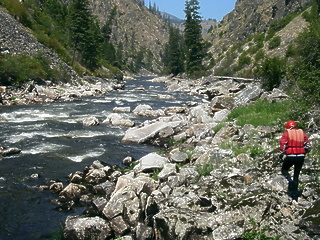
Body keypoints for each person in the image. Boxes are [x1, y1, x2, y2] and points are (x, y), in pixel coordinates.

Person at [279, 120, 312, 201]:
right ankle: (295, 196)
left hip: (290, 156)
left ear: (287, 127)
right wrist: (303, 152)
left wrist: (281, 155)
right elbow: (308, 146)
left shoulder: (286, 133)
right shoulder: (302, 133)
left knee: (284, 169)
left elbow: (283, 146)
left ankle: (290, 181)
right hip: (301, 157)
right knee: (296, 175)